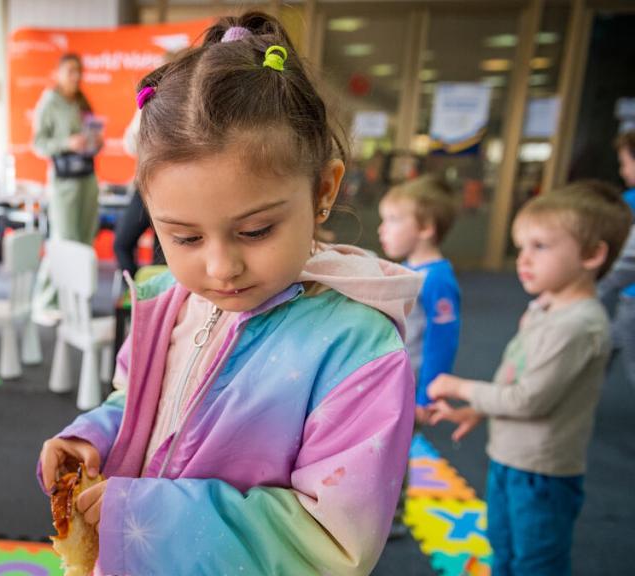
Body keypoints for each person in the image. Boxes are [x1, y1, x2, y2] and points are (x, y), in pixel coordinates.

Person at [36, 13, 422, 574]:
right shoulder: (168, 304)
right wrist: (93, 436)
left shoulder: (356, 352)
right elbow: (142, 405)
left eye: (256, 230)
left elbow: (335, 543)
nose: (221, 267)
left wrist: (146, 517)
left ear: (323, 189)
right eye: (184, 236)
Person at [427, 181, 631, 576]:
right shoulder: (544, 309)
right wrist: (477, 410)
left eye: (540, 247)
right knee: (502, 549)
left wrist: (458, 387)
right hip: (508, 458)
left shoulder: (578, 326)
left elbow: (528, 400)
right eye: (521, 247)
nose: (523, 260)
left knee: (537, 563)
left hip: (541, 473)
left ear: (592, 254)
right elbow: (516, 375)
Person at [377, 175, 461, 537]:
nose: (383, 229)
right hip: (397, 377)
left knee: (395, 451)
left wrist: (429, 394)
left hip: (413, 384)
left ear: (425, 228)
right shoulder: (411, 270)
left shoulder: (437, 278)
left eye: (394, 220)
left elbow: (444, 339)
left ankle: (392, 518)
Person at [31, 53, 103, 323]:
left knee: (84, 242)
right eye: (70, 71)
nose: (76, 76)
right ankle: (43, 300)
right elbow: (39, 144)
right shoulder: (49, 102)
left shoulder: (82, 101)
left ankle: (73, 300)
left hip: (87, 177)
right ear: (59, 72)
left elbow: (91, 138)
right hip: (64, 183)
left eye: (79, 71)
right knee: (63, 240)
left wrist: (94, 141)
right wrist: (66, 142)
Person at [598, 131, 635, 388]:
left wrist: (584, 287)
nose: (622, 172)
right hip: (626, 300)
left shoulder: (629, 203)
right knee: (605, 347)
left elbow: (627, 259)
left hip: (631, 300)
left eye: (625, 163)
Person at [112, 109, 164, 278]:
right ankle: (136, 291)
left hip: (169, 189)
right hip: (143, 188)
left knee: (163, 253)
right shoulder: (147, 102)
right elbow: (130, 144)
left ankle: (160, 300)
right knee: (122, 243)